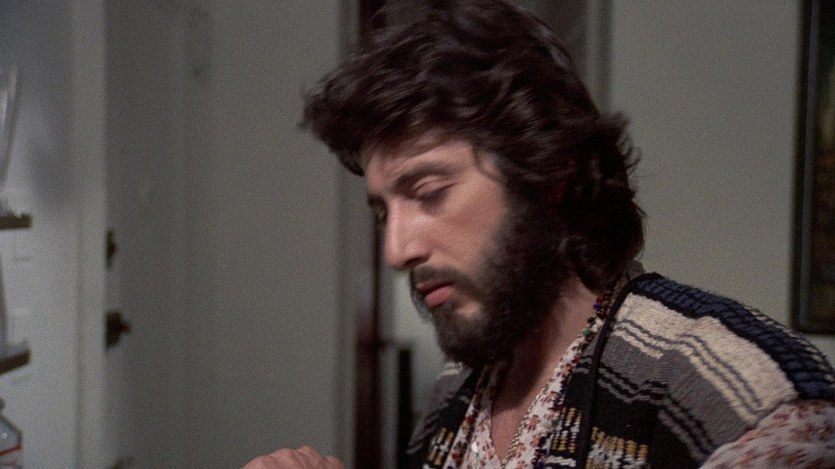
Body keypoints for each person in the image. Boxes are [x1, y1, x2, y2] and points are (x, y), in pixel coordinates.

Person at [245, 0, 835, 467]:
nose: (397, 250)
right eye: (382, 211)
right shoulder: (456, 393)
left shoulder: (745, 396)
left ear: (549, 175)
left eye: (429, 193)